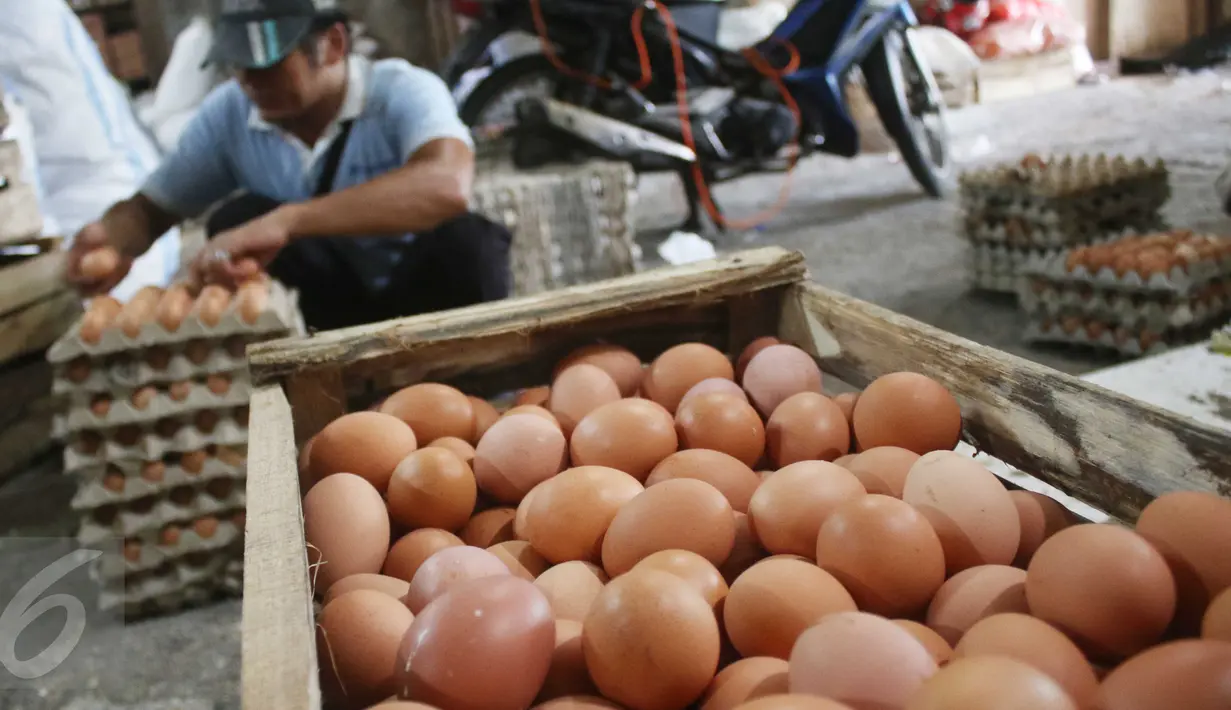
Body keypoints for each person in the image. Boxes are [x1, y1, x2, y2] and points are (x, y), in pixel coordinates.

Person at [64, 0, 511, 331]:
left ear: (333, 44)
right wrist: (113, 239)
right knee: (238, 218)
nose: (249, 81)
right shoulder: (230, 114)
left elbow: (447, 185)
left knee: (466, 241)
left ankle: (477, 378)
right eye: (238, 65)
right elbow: (150, 210)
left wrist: (289, 220)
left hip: (426, 295)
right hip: (330, 309)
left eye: (269, 64)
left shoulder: (401, 90)